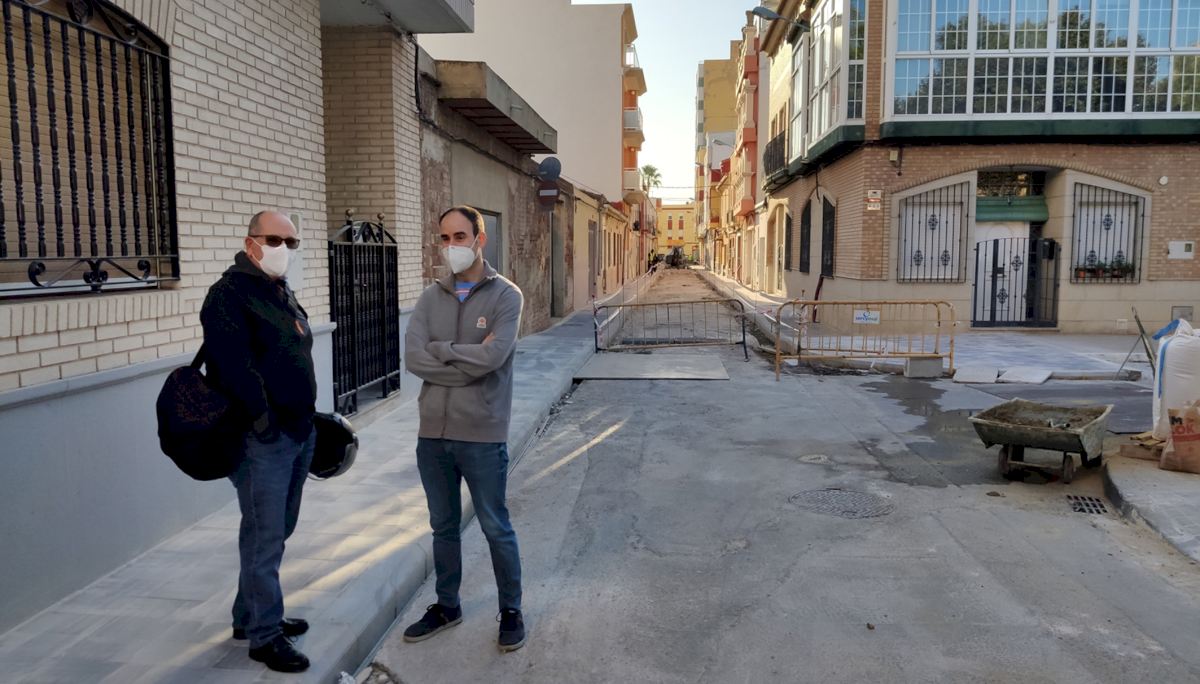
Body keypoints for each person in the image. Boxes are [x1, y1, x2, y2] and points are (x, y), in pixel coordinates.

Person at [402, 205, 527, 652]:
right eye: (445, 238)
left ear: (480, 239)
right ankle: (447, 606)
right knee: (443, 527)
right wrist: (464, 357)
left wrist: (442, 350)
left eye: (459, 236)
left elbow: (493, 358)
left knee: (495, 526)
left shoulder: (506, 296)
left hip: (482, 433)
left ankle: (511, 610)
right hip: (432, 436)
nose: (451, 245)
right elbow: (413, 358)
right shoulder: (429, 298)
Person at [200, 210, 315, 673]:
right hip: (262, 440)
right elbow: (234, 368)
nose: (283, 249)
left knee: (273, 532)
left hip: (297, 432)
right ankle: (264, 637)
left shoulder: (279, 289)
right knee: (265, 538)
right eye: (274, 240)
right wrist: (265, 423)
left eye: (291, 242)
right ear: (251, 243)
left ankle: (248, 617)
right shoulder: (228, 295)